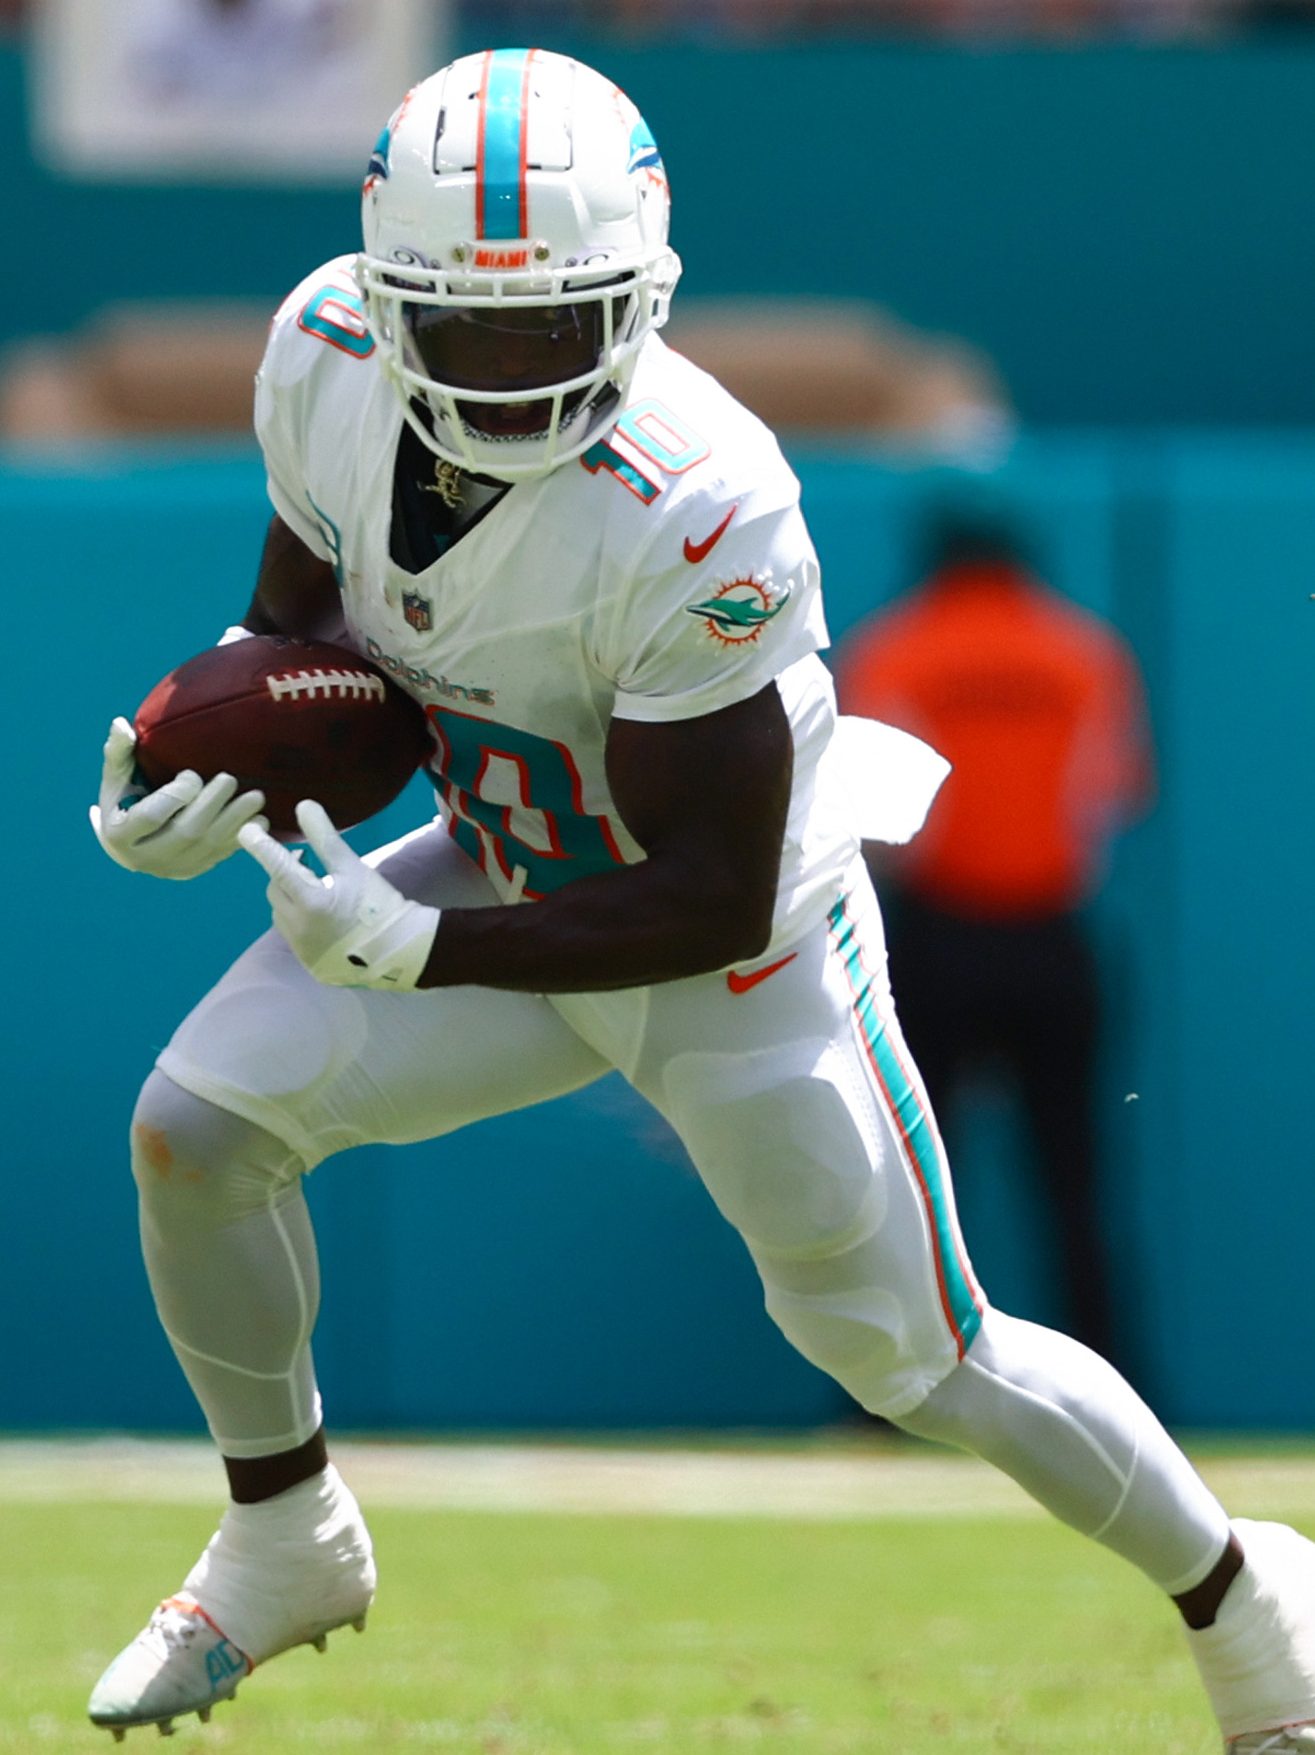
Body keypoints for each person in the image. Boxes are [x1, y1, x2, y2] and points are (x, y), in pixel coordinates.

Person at [85, 47, 1315, 1751]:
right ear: (385, 303)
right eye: (470, 329)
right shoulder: (328, 353)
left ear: (645, 303)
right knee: (193, 1133)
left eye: (554, 327)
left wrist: (428, 944)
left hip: (736, 960)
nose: (513, 376)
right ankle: (285, 1529)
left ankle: (1248, 1599)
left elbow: (715, 899)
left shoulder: (704, 500)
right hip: (499, 871)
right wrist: (191, 763)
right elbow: (301, 636)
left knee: (919, 1355)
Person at [834, 506, 1154, 1368]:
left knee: (908, 1186)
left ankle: (892, 1394)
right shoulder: (1083, 652)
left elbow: (880, 828)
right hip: (1053, 936)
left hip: (931, 940)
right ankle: (1116, 1387)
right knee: (1073, 1181)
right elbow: (1111, 794)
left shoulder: (896, 646)